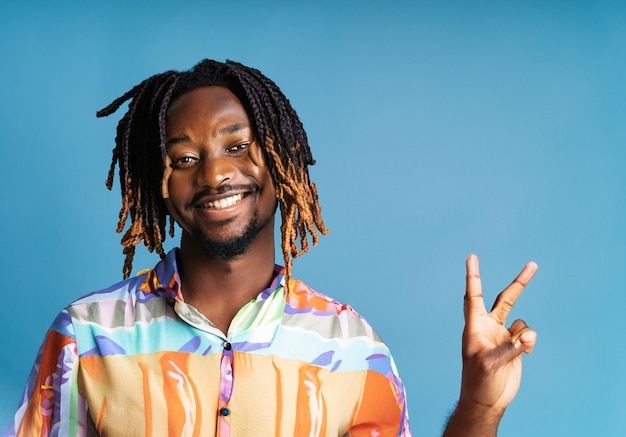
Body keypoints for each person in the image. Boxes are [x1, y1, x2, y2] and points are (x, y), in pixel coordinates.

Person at [5, 59, 537, 437]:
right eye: (185, 159)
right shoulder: (86, 337)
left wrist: (477, 407)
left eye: (238, 146)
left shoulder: (352, 349)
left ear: (282, 166)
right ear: (159, 187)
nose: (215, 173)